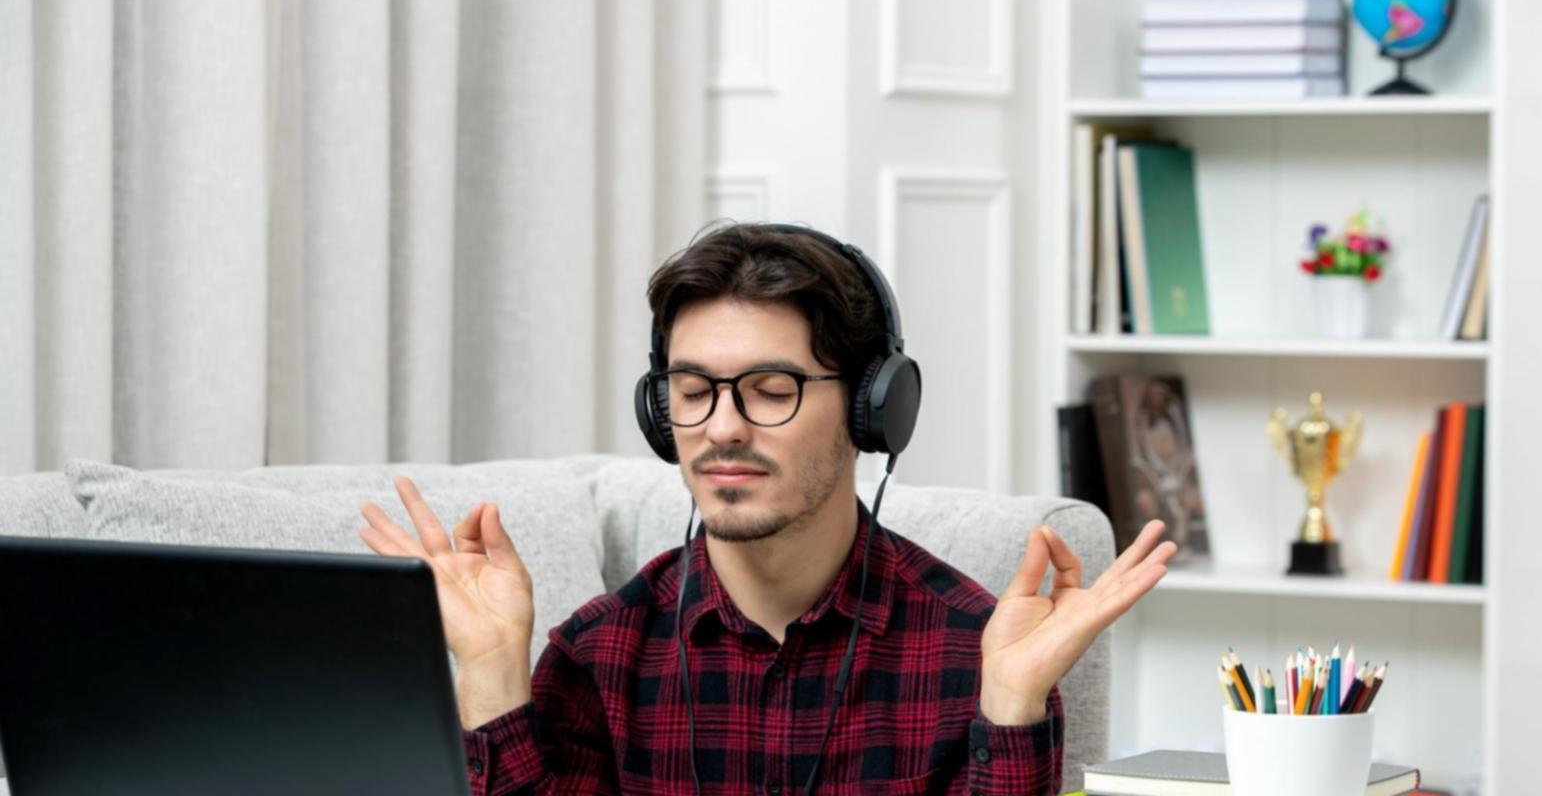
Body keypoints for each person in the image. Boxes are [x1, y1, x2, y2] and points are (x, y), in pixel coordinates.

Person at [359, 222, 1177, 795]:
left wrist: (1009, 710)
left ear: (872, 412)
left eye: (770, 392)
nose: (721, 429)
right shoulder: (597, 658)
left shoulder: (975, 651)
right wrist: (492, 675)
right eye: (690, 392)